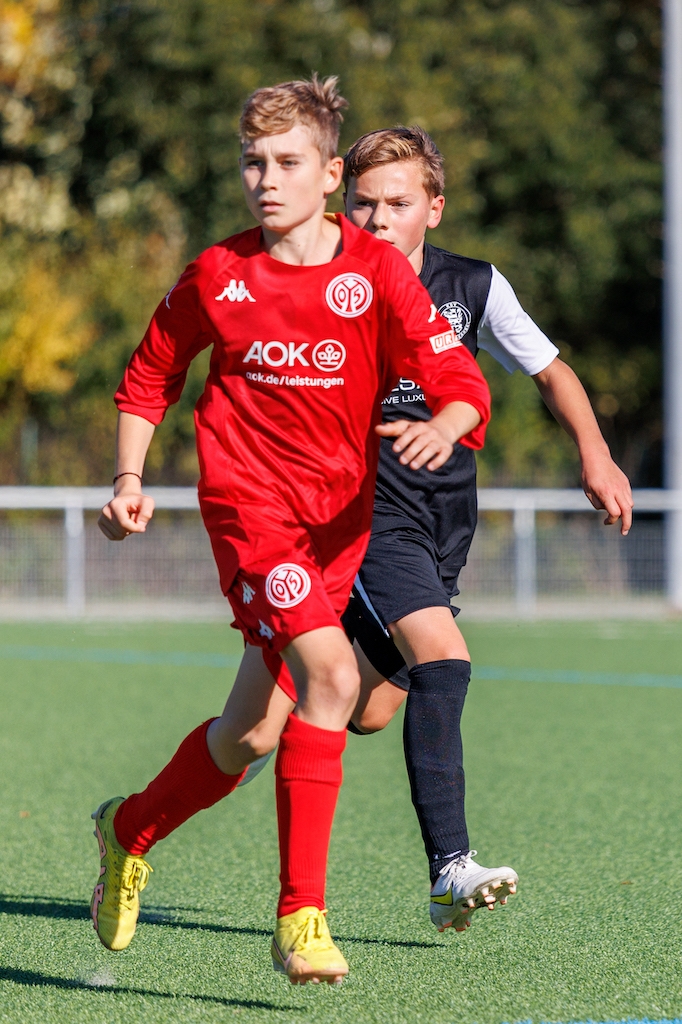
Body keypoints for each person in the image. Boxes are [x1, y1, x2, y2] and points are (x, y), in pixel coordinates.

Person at [91, 81, 491, 985]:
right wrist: (127, 481)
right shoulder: (216, 274)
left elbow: (458, 375)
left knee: (250, 735)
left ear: (329, 172)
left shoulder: (376, 273)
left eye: (286, 162)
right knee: (335, 676)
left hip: (337, 528)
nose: (266, 181)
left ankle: (128, 830)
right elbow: (150, 376)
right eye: (252, 163)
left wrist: (447, 421)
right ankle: (301, 918)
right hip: (252, 515)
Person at [338, 126, 634, 933]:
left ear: (433, 208)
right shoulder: (322, 280)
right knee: (444, 660)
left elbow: (549, 370)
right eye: (363, 203)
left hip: (444, 522)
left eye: (398, 203)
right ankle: (450, 870)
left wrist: (595, 453)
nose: (378, 219)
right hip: (364, 516)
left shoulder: (472, 284)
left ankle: (299, 676)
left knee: (368, 710)